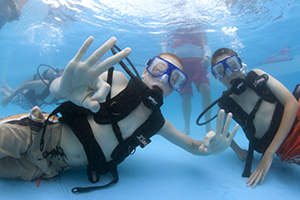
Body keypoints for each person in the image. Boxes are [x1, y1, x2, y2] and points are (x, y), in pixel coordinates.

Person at [0, 36, 238, 193]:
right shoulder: (116, 80)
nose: (163, 79)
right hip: (35, 134)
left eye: (174, 79)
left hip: (48, 168)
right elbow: (69, 87)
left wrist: (211, 149)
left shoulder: (156, 123)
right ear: (146, 69)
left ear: (175, 89)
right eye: (159, 69)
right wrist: (60, 88)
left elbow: (194, 147)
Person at [210, 48, 300, 188]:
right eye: (220, 70)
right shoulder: (225, 104)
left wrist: (269, 153)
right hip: (285, 147)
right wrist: (238, 150)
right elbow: (221, 131)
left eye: (232, 65)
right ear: (218, 77)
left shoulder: (257, 76)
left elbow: (292, 103)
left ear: (240, 65)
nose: (229, 73)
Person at [163, 27, 213, 134]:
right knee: (185, 96)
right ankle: (187, 128)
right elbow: (165, 46)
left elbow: (205, 43)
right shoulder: (174, 29)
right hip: (180, 63)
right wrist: (167, 60)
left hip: (198, 61)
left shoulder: (198, 29)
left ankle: (208, 125)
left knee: (206, 89)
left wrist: (207, 56)